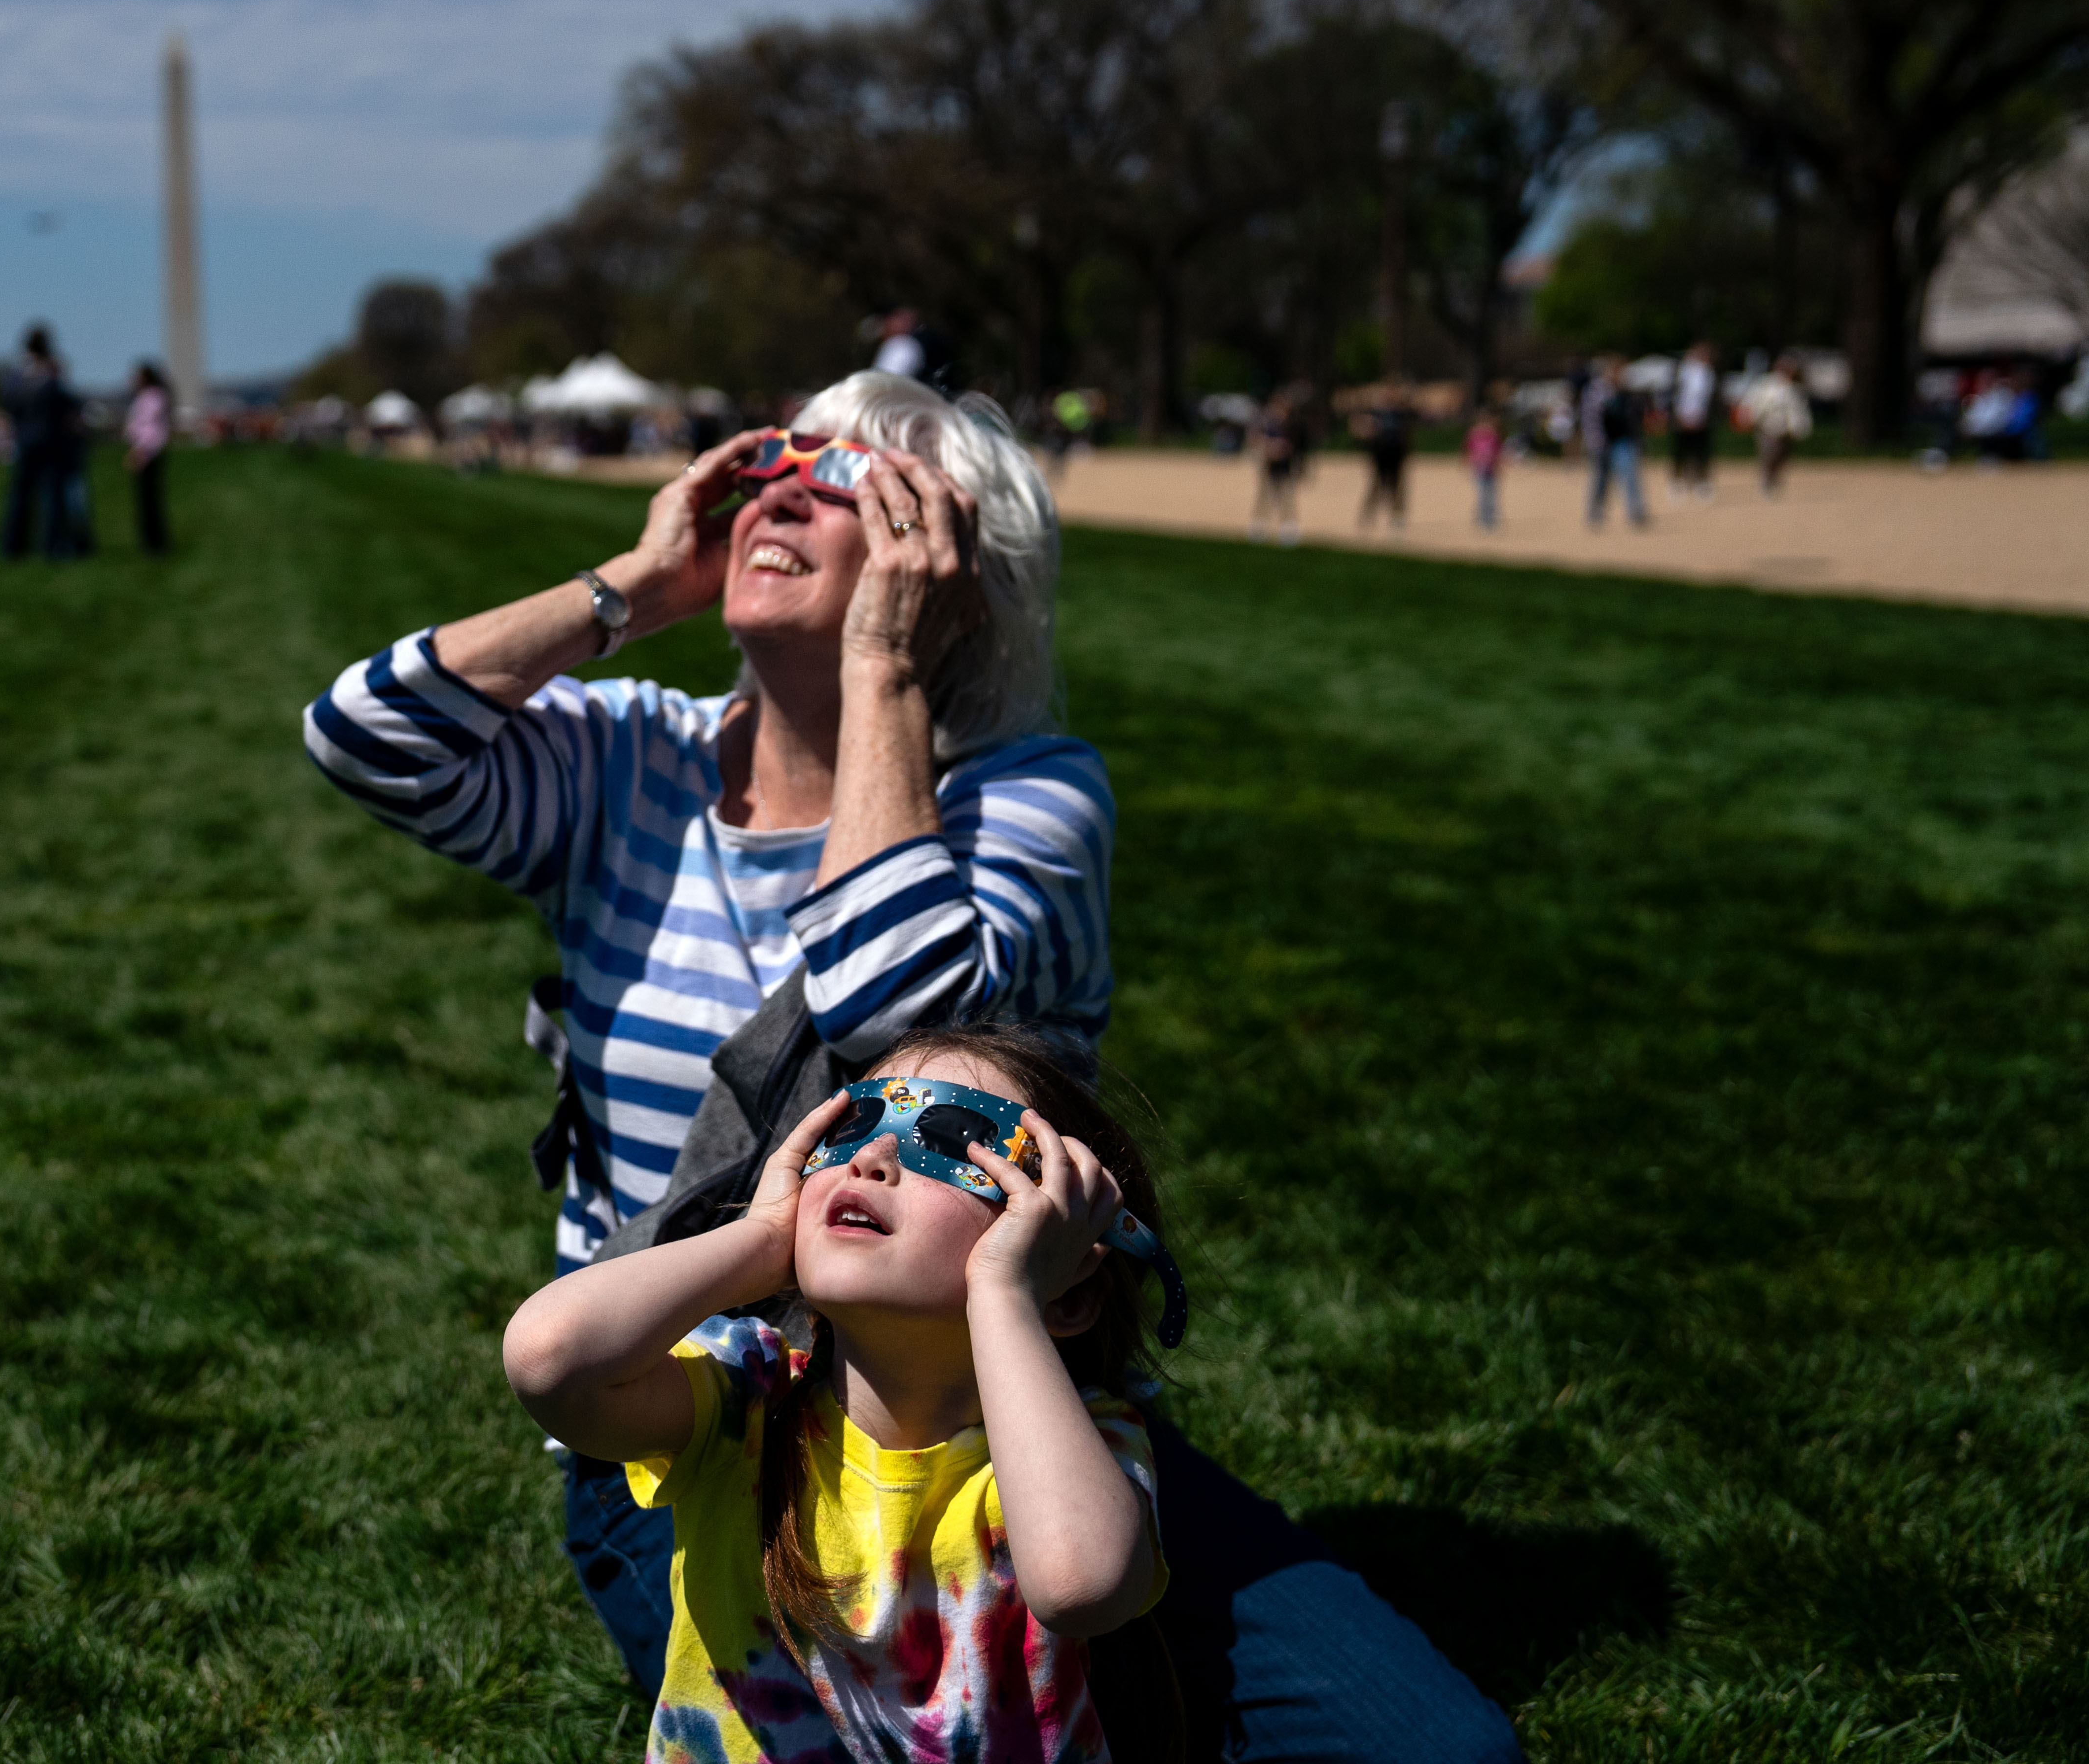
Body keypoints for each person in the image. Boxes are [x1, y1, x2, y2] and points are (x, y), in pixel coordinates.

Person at [303, 369, 1518, 1764]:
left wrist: (883, 674)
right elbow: (365, 735)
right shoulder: (631, 761)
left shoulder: (1033, 796)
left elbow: (897, 1014)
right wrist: (635, 582)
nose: (783, 497)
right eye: (773, 467)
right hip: (699, 1408)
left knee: (1430, 1749)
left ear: (951, 580)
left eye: (850, 487)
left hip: (990, 1398)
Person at [504, 1024, 1175, 1762]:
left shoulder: (1080, 1448)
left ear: (1072, 1284)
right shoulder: (747, 1398)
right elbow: (550, 1359)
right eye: (856, 1121)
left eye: (954, 1141)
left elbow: (1082, 1584)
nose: (873, 1157)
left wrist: (1005, 1293)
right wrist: (763, 1240)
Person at [0, 324, 92, 561]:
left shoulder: (18, 374)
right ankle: (52, 546)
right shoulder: (50, 373)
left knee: (21, 496)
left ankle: (13, 547)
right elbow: (67, 403)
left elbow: (10, 405)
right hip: (50, 441)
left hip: (26, 440)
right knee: (52, 496)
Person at [1584, 356, 1650, 529]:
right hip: (1602, 442)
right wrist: (1597, 442)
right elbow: (1591, 419)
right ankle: (1596, 512)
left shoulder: (1625, 392)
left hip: (1623, 440)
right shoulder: (1598, 391)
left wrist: (1638, 439)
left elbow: (1633, 418)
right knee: (1602, 479)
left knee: (1630, 476)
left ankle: (1635, 512)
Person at [1736, 352, 1812, 495]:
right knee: (1769, 455)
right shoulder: (1765, 384)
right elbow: (1752, 402)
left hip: (1786, 430)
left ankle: (1774, 478)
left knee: (1783, 457)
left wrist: (1801, 428)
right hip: (1767, 428)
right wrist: (1747, 418)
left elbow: (1799, 412)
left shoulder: (1795, 389)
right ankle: (1767, 480)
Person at [124, 361, 173, 555]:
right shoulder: (151, 396)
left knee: (149, 501)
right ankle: (153, 542)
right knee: (148, 501)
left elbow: (149, 429)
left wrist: (139, 452)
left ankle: (154, 543)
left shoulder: (152, 397)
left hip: (148, 453)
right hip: (147, 452)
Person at [1353, 380, 1415, 533]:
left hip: (1397, 453)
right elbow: (1360, 429)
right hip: (1380, 453)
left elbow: (1409, 432)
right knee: (1376, 486)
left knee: (1397, 487)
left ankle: (1396, 518)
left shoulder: (1401, 414)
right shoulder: (1376, 413)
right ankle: (1368, 516)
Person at [1246, 392, 1303, 545]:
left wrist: (1278, 448)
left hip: (1285, 466)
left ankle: (1289, 527)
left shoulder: (1291, 426)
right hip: (1269, 465)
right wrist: (1268, 446)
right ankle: (1260, 525)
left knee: (1286, 496)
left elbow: (1292, 447)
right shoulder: (1269, 426)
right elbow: (1255, 440)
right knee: (1265, 496)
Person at [1670, 341, 1718, 496]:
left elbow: (1708, 399)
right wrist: (1680, 415)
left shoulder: (1709, 373)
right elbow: (1677, 395)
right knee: (1681, 451)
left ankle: (1701, 481)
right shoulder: (1683, 370)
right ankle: (1677, 481)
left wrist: (1703, 417)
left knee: (1701, 451)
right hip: (1683, 417)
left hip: (1701, 420)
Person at [1464, 404, 1506, 531]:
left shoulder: (1494, 436)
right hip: (1479, 470)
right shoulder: (1474, 435)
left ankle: (1491, 519)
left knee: (1492, 496)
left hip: (1491, 470)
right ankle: (1483, 519)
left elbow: (1498, 453)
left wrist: (1499, 466)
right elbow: (1468, 451)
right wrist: (1467, 463)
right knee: (1482, 495)